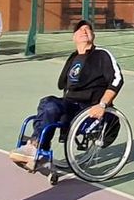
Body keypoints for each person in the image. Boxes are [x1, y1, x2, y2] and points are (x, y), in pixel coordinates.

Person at [9, 21, 123, 168]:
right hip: (71, 104)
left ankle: (34, 147)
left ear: (93, 35)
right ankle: (38, 148)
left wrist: (102, 104)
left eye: (87, 29)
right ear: (73, 37)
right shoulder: (73, 58)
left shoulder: (101, 54)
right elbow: (63, 85)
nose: (84, 31)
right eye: (80, 30)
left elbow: (117, 79)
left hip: (89, 107)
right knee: (48, 103)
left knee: (50, 105)